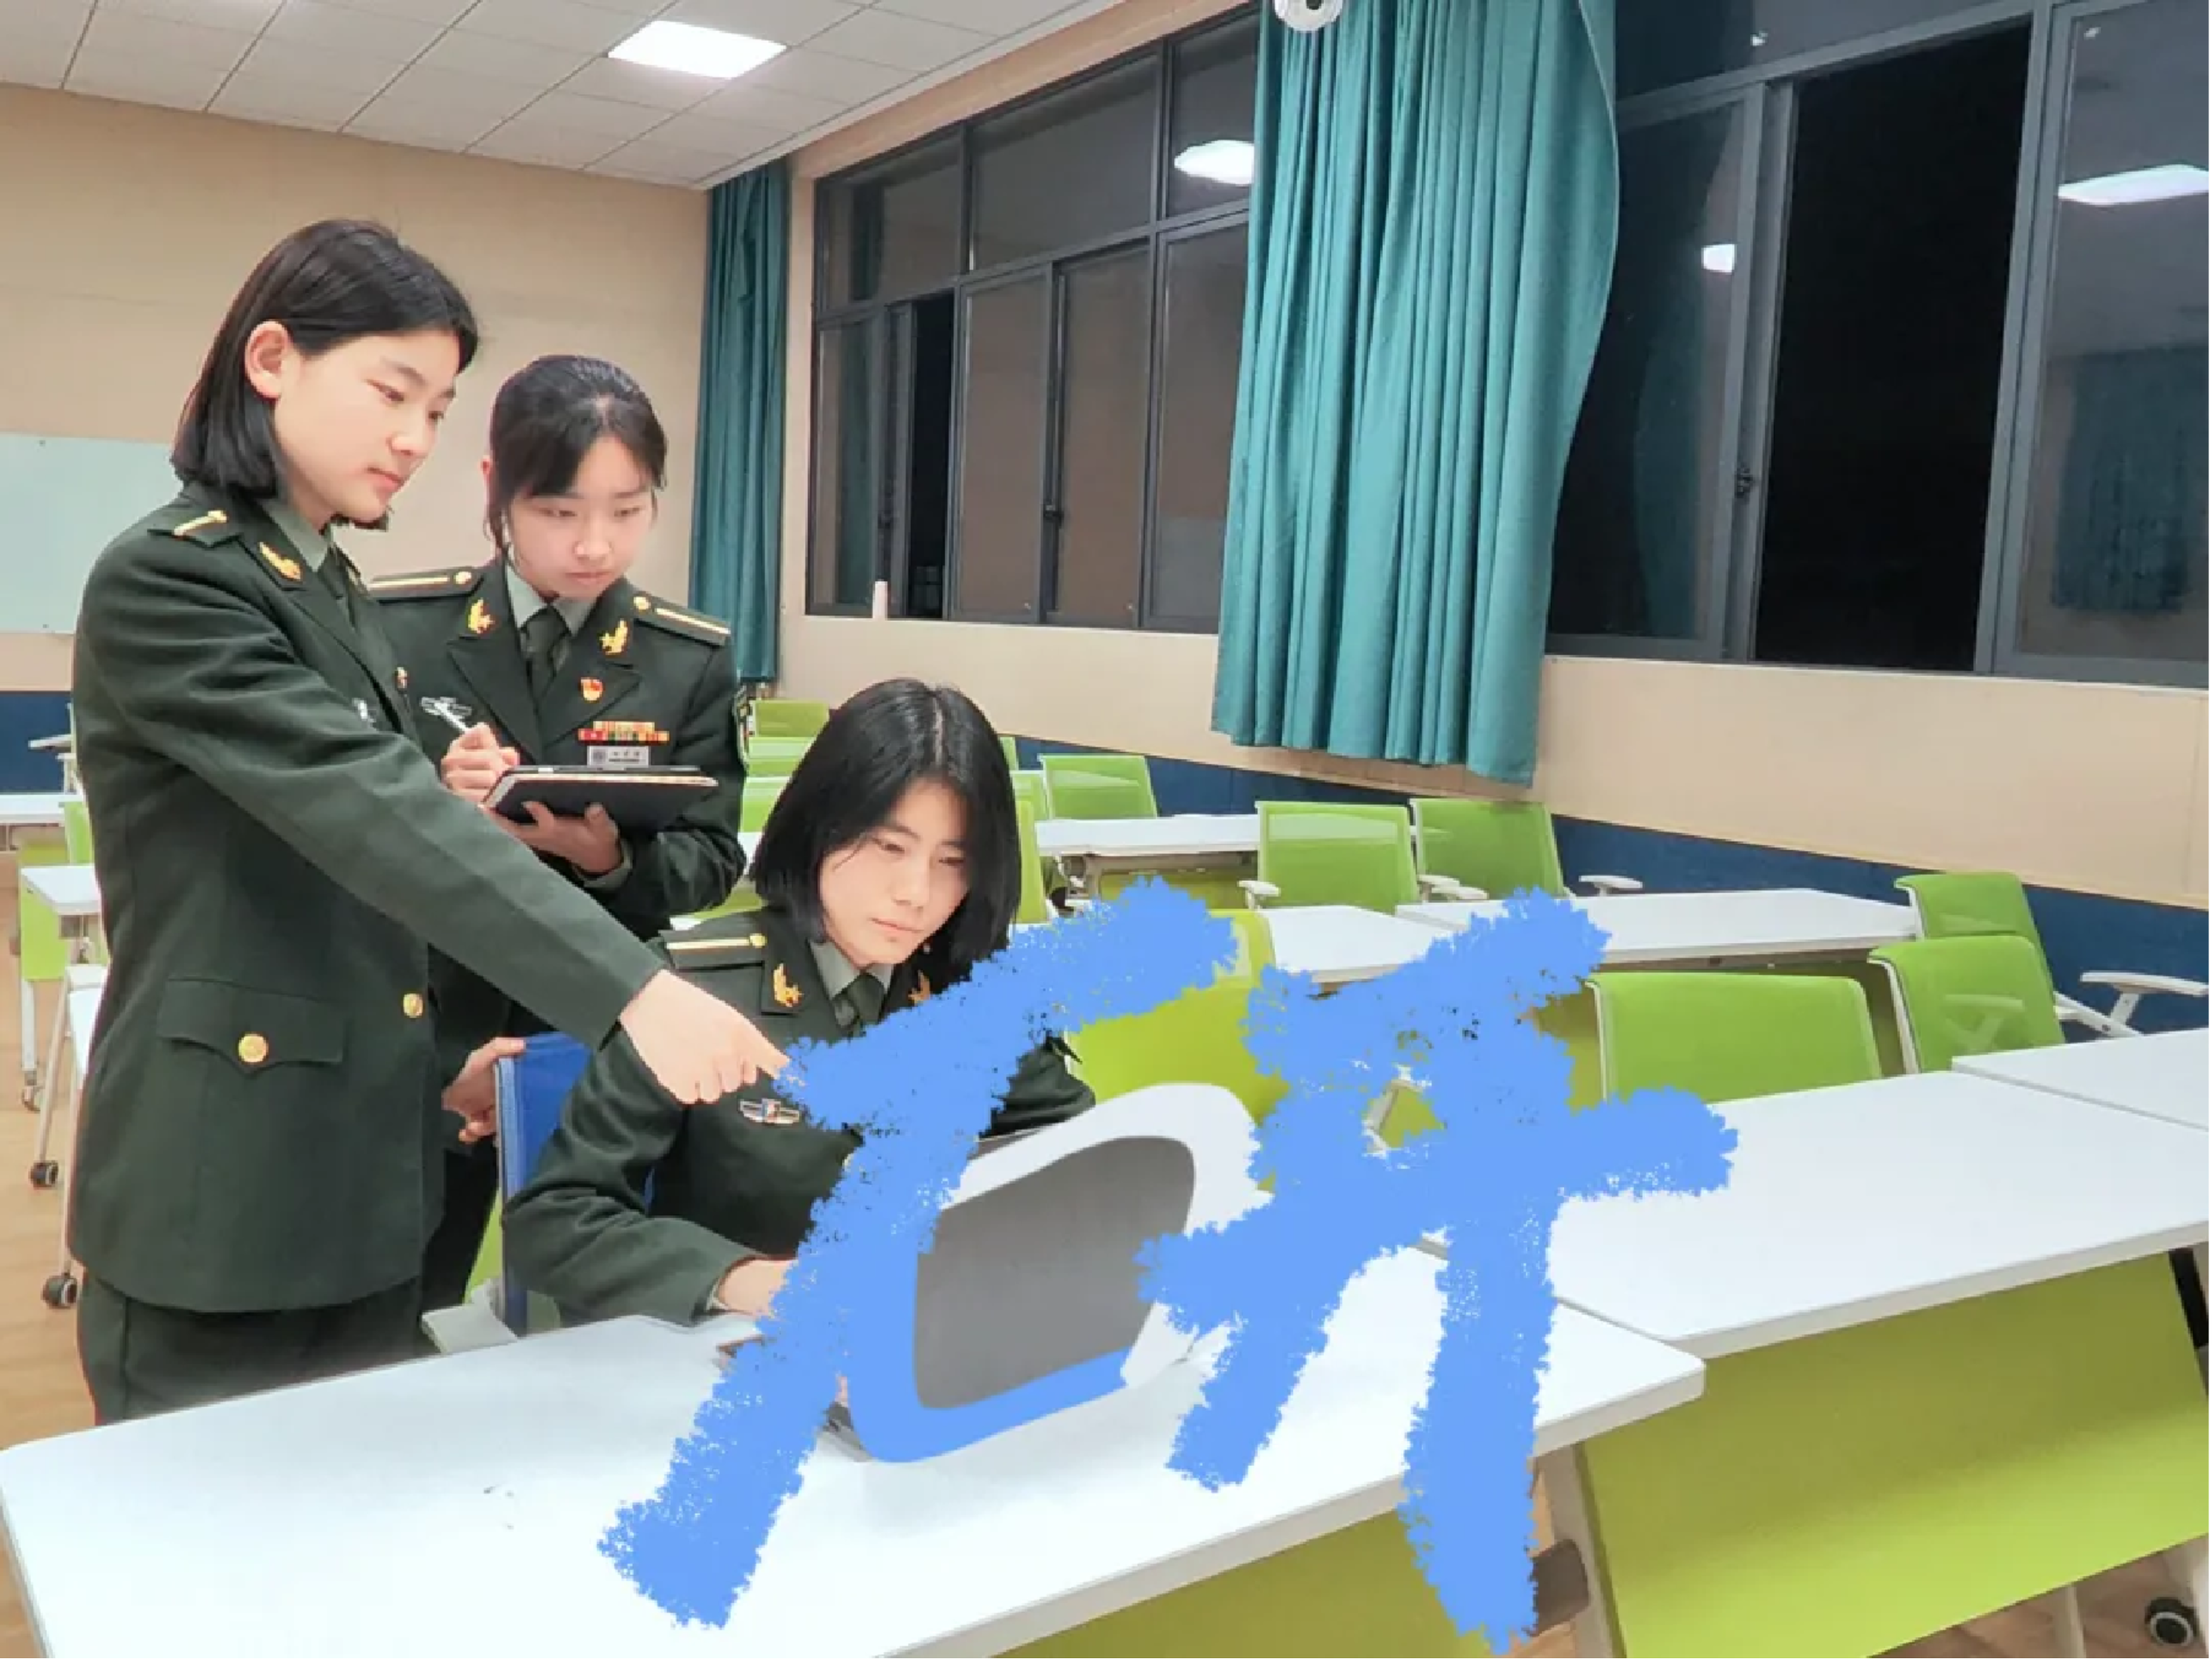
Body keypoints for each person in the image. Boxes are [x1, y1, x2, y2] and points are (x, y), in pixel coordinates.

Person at [65, 218, 784, 1426]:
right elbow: (379, 821)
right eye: (391, 392)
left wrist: (432, 1075)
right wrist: (636, 992)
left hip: (367, 1177)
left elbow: (361, 907)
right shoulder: (176, 578)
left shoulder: (330, 584)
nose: (414, 438)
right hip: (224, 1195)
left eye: (438, 409)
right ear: (272, 359)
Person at [500, 678, 1095, 1330]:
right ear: (819, 828)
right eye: (888, 847)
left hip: (928, 1343)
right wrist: (741, 1279)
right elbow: (555, 1221)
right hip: (729, 1351)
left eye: (951, 861)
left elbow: (1085, 1156)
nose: (915, 892)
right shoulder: (692, 989)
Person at [371, 353, 751, 1324]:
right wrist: (433, 799)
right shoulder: (399, 630)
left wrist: (606, 859)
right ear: (495, 489)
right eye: (558, 510)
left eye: (627, 510)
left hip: (600, 1035)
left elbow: (712, 860)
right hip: (432, 1027)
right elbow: (344, 834)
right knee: (398, 1301)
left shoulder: (685, 658)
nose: (594, 544)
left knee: (602, 1311)